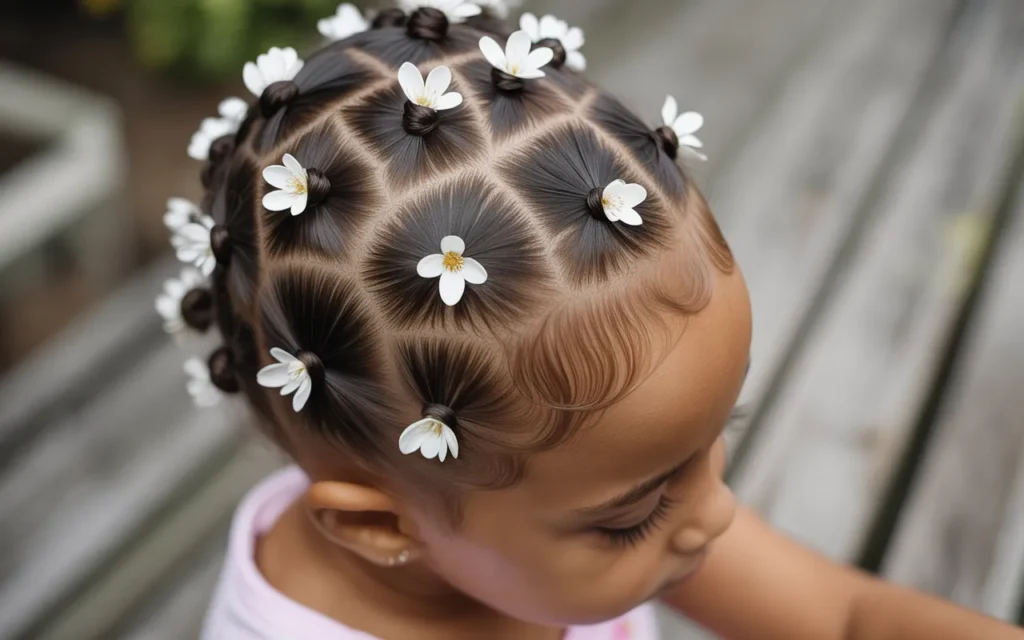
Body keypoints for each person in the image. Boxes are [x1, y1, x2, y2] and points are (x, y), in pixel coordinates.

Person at [158, 2, 1024, 638]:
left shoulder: (620, 495)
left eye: (721, 435)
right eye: (634, 515)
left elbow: (845, 618)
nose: (714, 514)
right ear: (385, 528)